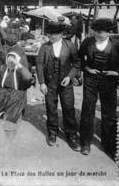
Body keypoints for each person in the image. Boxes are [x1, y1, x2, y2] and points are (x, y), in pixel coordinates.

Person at [79, 18, 119, 158]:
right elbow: (80, 59)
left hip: (109, 81)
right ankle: (85, 143)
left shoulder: (118, 45)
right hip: (91, 79)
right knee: (88, 110)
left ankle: (108, 144)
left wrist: (117, 73)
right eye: (96, 32)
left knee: (109, 113)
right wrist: (87, 68)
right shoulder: (87, 42)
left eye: (101, 33)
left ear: (109, 33)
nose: (97, 35)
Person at [37, 22, 81, 151]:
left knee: (68, 108)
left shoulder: (70, 46)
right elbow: (39, 65)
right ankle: (52, 132)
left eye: (54, 34)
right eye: (49, 34)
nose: (50, 36)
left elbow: (77, 63)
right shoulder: (45, 47)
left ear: (61, 34)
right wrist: (42, 82)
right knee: (51, 108)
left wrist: (70, 77)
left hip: (65, 83)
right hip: (50, 84)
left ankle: (71, 134)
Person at [0, 47, 33, 123]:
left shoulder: (20, 71)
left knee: (9, 120)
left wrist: (18, 64)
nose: (10, 60)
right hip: (5, 93)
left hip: (17, 96)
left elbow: (28, 78)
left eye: (13, 58)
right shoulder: (4, 69)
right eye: (9, 57)